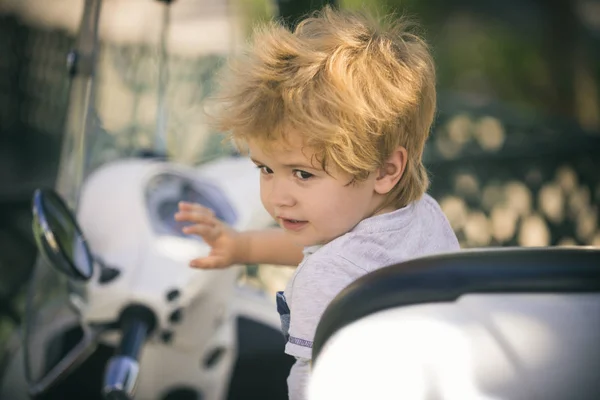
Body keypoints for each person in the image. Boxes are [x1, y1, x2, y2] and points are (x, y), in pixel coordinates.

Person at [174, 5, 460, 400]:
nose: (277, 196)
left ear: (384, 170)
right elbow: (338, 254)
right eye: (265, 169)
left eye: (303, 174)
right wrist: (243, 247)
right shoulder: (420, 216)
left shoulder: (324, 279)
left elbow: (312, 383)